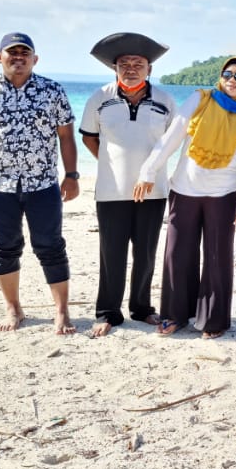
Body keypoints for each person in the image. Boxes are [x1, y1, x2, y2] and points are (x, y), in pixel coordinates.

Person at [0, 32, 79, 334]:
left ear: (35, 59)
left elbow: (66, 136)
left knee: (51, 247)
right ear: (0, 57)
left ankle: (61, 311)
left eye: (25, 53)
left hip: (43, 186)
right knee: (4, 247)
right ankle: (14, 309)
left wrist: (72, 175)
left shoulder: (53, 91)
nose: (19, 57)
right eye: (12, 52)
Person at [135, 57, 236, 338]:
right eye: (227, 74)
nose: (232, 80)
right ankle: (174, 314)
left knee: (218, 258)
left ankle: (213, 319)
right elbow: (173, 135)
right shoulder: (200, 100)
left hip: (223, 194)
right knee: (176, 254)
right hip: (184, 189)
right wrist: (148, 170)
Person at [79, 33, 176, 338]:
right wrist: (111, 165)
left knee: (146, 253)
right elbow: (89, 138)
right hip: (111, 191)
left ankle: (142, 308)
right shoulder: (100, 98)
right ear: (115, 68)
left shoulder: (164, 101)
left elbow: (172, 142)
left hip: (153, 190)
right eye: (124, 64)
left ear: (149, 69)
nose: (131, 68)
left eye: (138, 63)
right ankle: (108, 311)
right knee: (112, 253)